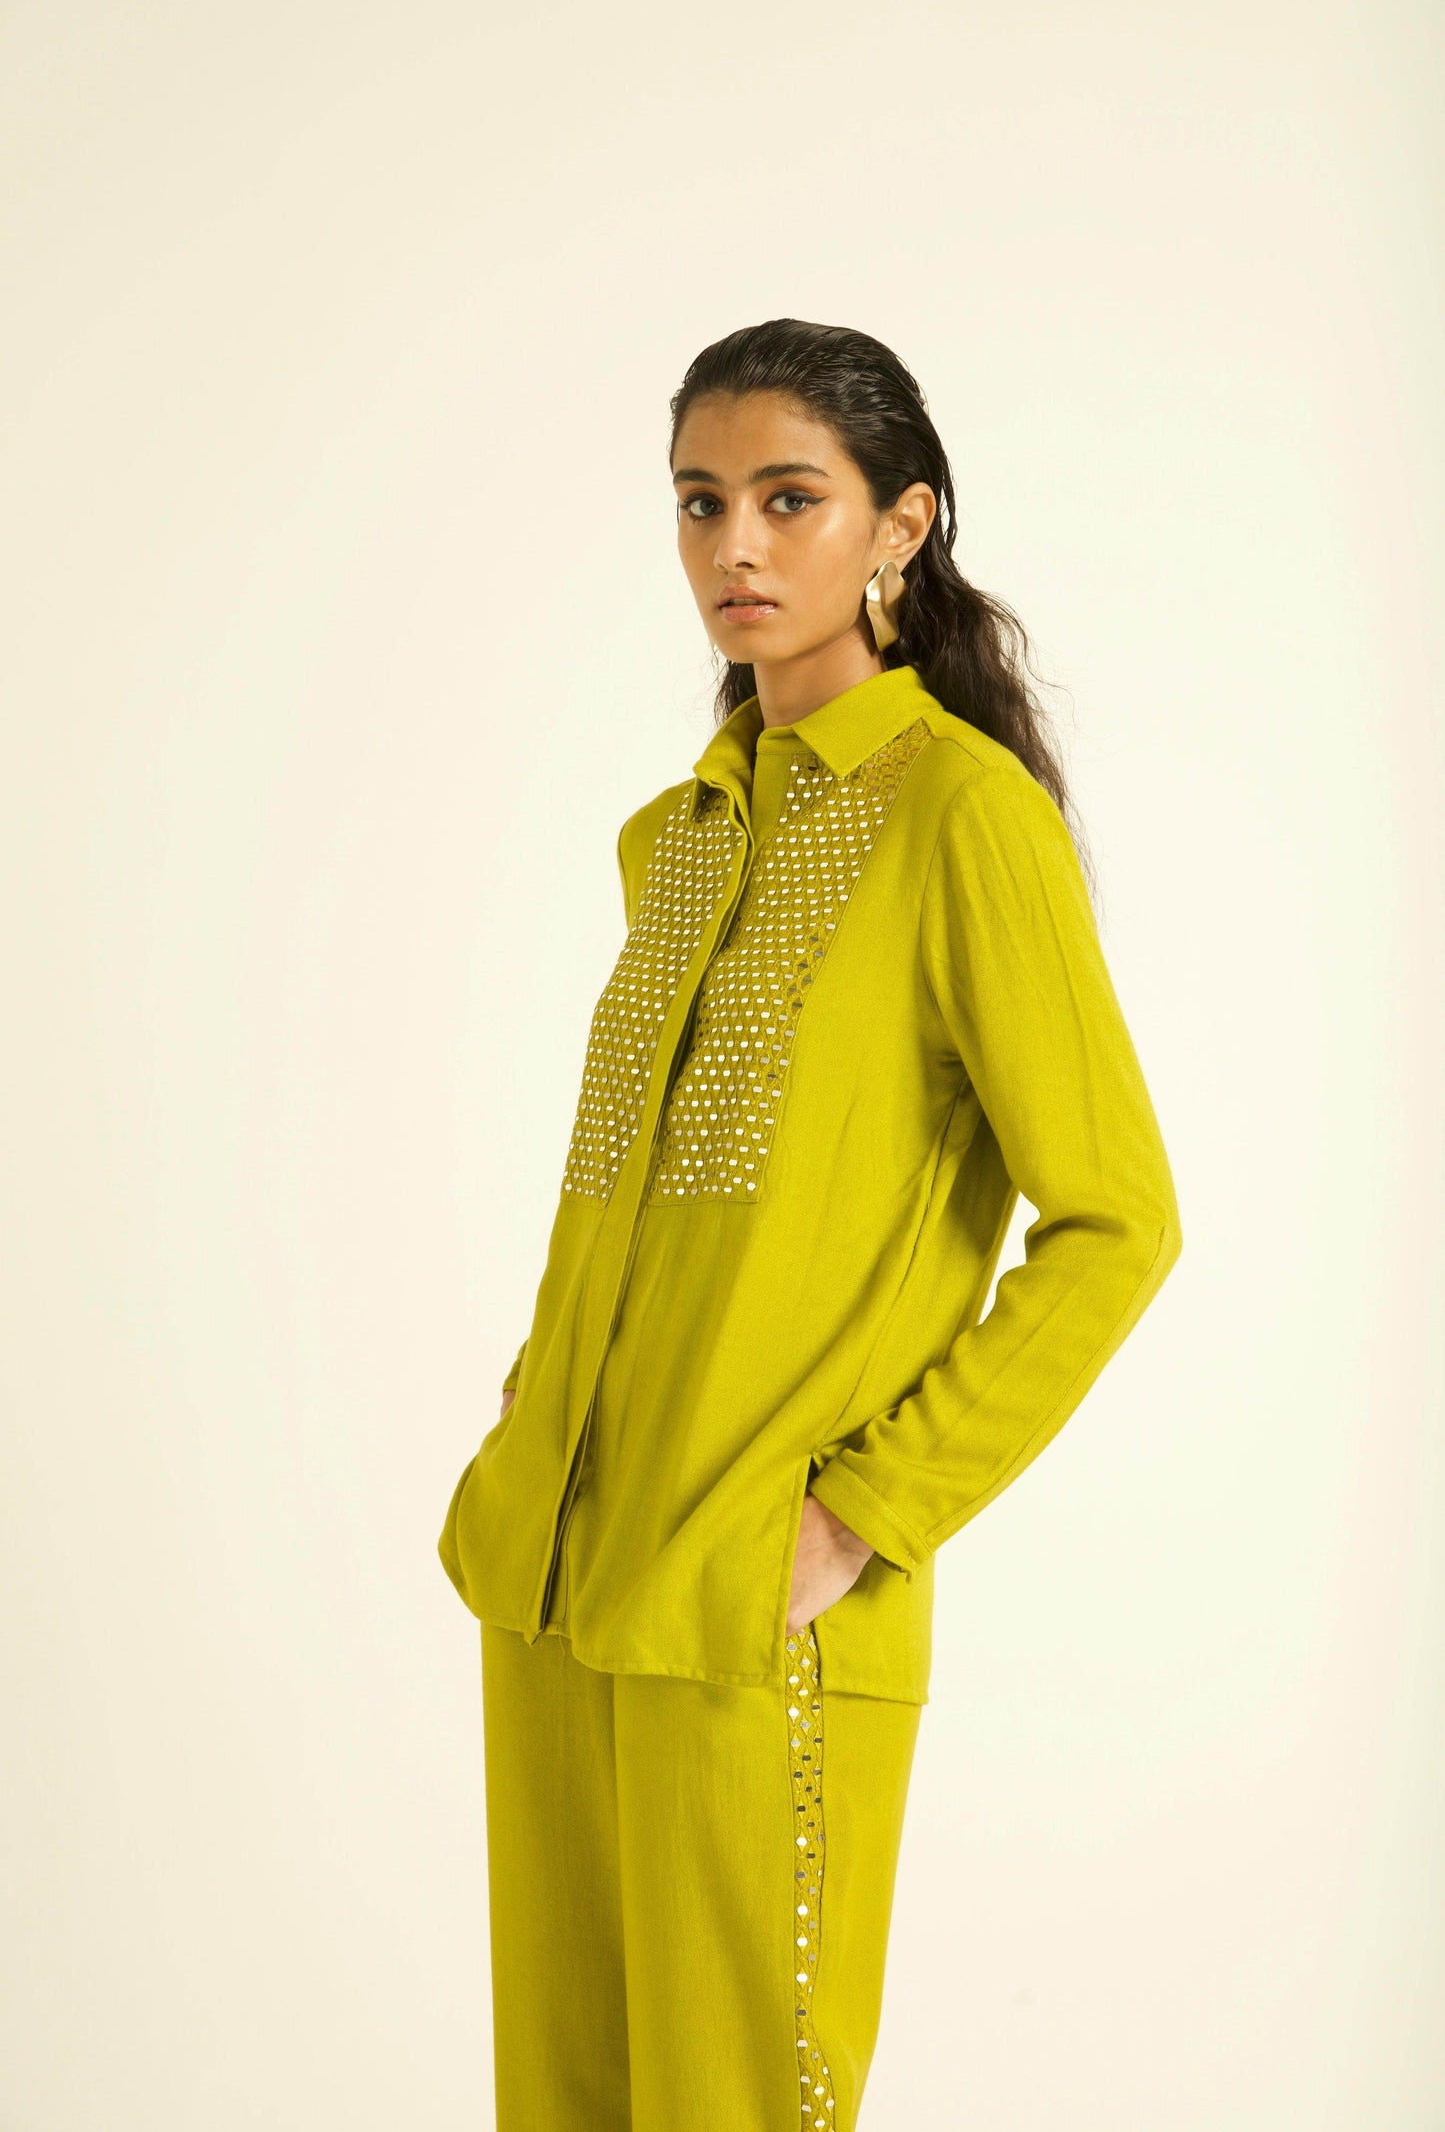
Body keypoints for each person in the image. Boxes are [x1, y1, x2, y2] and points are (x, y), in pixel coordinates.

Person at [438, 317, 1183, 2131]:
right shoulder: (677, 836)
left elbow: (1118, 1221)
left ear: (898, 526)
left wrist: (864, 1512)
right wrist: (535, 1415)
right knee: (564, 2100)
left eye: (790, 500)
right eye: (701, 503)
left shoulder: (962, 820)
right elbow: (632, 1200)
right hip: (555, 1577)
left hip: (754, 1602)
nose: (736, 548)